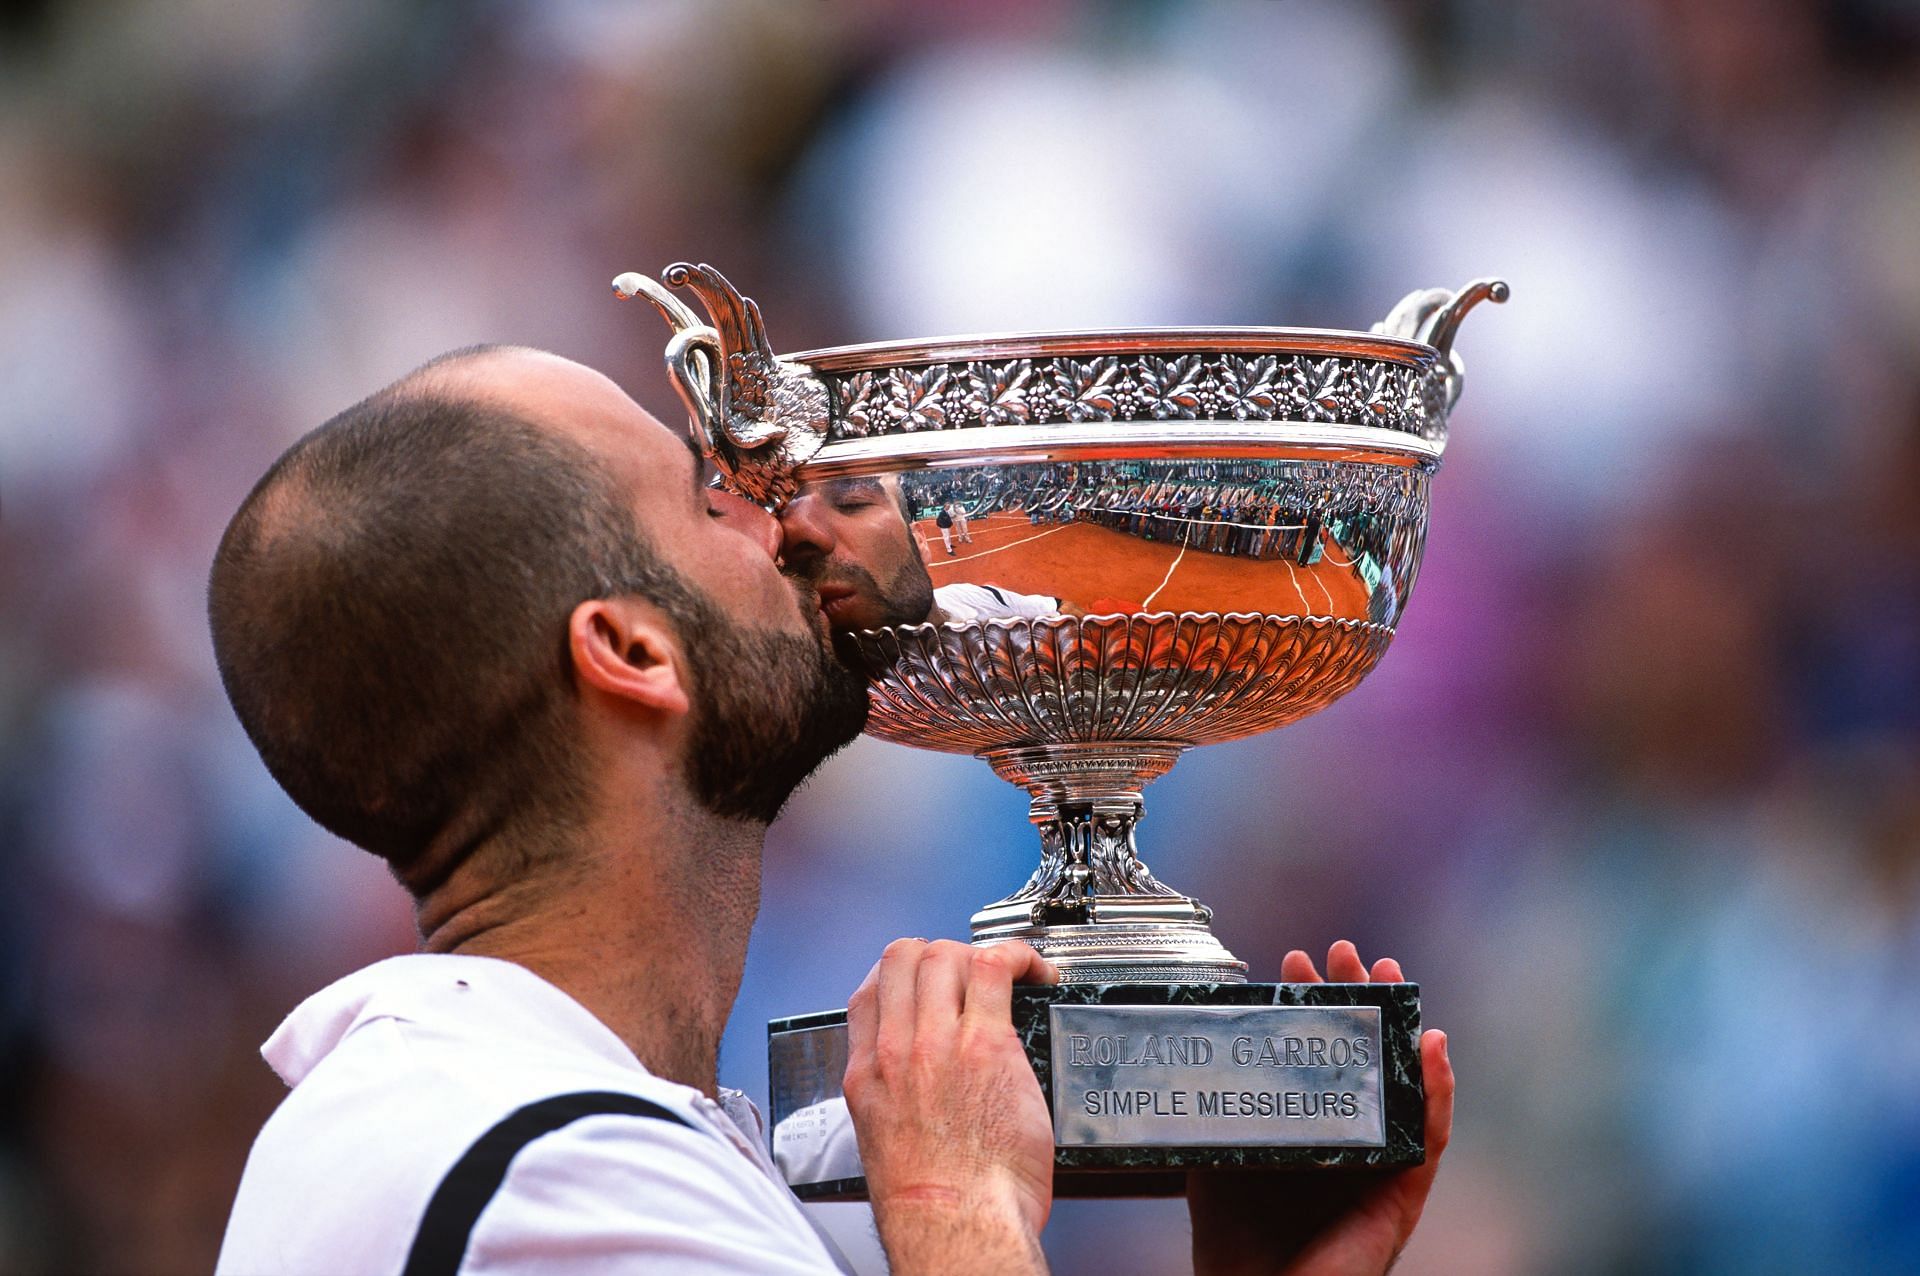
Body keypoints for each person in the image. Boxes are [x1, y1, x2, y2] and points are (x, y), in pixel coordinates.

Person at [211, 346, 1450, 1276]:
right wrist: (962, 1223)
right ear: (633, 651)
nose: (788, 523)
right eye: (711, 503)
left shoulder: (508, 1125)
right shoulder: (554, 1182)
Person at [782, 475, 1069, 629]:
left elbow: (1058, 607)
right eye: (780, 520)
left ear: (919, 542)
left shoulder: (975, 597)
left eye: (851, 502)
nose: (799, 530)